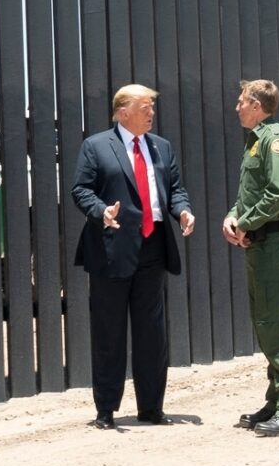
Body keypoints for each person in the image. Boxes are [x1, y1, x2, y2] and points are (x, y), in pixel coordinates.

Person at [71, 84, 194, 429]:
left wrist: (182, 211)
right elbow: (80, 189)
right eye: (145, 108)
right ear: (123, 111)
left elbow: (175, 189)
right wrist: (100, 211)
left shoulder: (162, 148)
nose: (151, 114)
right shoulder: (96, 146)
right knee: (109, 333)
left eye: (152, 107)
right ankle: (106, 410)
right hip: (112, 249)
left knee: (152, 334)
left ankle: (151, 408)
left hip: (153, 248)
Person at [221, 79, 279, 436]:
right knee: (264, 322)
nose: (237, 107)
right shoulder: (256, 141)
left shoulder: (275, 141)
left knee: (275, 323)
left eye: (242, 101)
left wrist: (246, 220)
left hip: (271, 243)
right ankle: (276, 403)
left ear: (257, 105)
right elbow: (252, 192)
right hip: (259, 243)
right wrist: (233, 215)